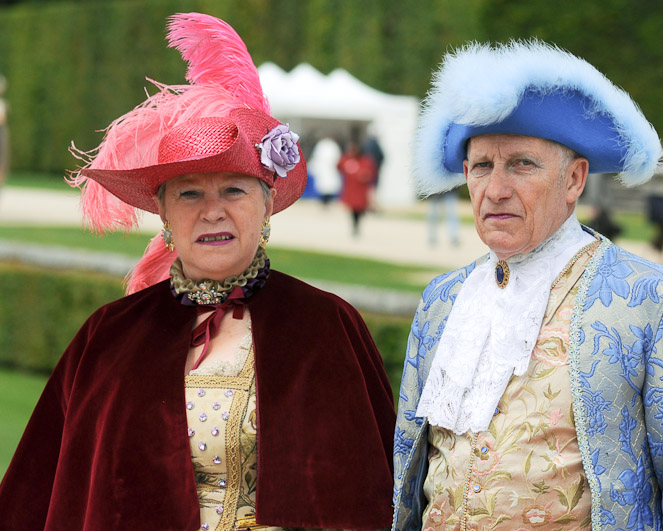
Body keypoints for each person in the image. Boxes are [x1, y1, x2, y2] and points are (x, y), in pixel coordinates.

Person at [0, 14, 395, 531]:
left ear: (267, 202)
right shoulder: (108, 336)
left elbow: (372, 497)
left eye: (233, 189)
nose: (212, 211)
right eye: (190, 193)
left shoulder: (328, 327)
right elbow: (39, 496)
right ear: (163, 211)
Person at [392, 41, 663, 529]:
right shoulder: (441, 301)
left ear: (574, 179)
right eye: (483, 166)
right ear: (465, 174)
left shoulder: (655, 301)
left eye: (522, 164)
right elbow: (409, 476)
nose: (496, 188)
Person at [338, 137, 377, 236]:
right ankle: (355, 226)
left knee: (359, 209)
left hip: (360, 190)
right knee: (353, 209)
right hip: (351, 189)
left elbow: (370, 173)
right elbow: (339, 166)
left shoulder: (365, 161)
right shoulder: (347, 159)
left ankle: (357, 224)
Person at [308, 136, 342, 206]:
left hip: (330, 170)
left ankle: (327, 200)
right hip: (324, 170)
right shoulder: (325, 146)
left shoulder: (331, 146)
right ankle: (325, 201)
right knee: (324, 185)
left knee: (329, 185)